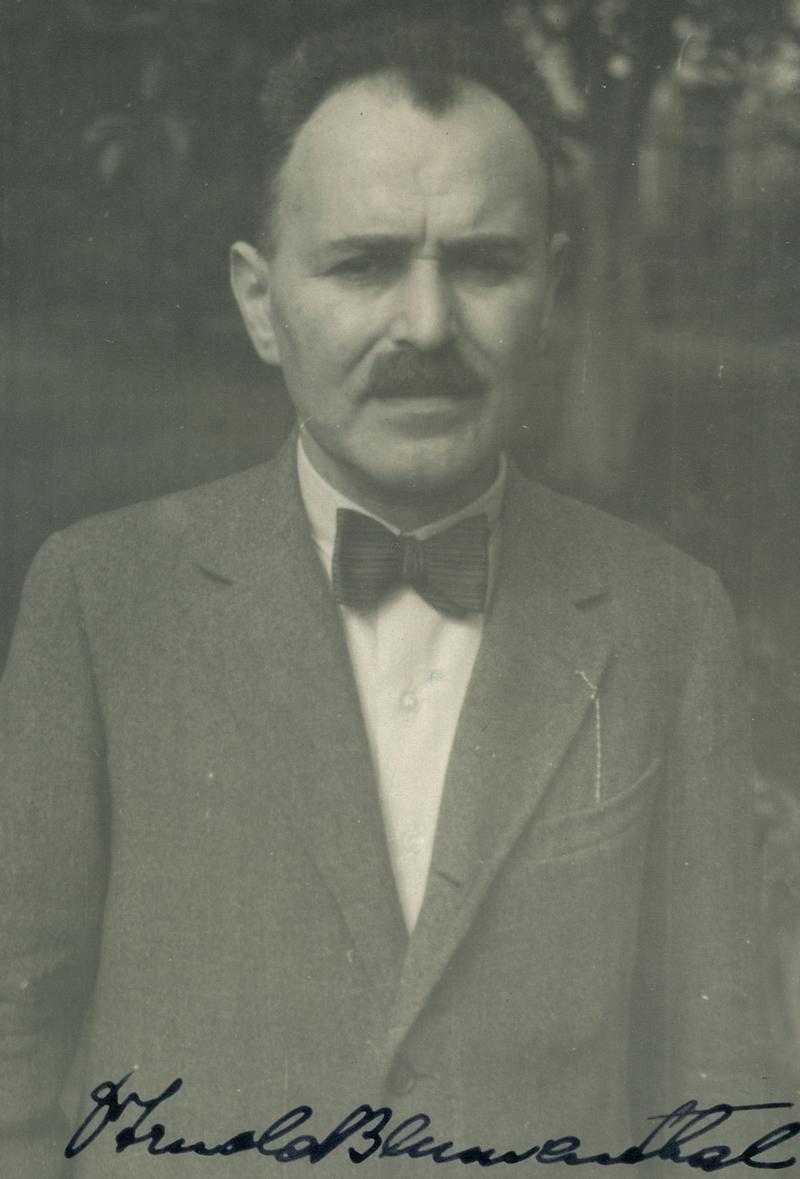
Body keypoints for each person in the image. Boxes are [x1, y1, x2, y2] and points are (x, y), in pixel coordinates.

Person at [0, 5, 775, 1177]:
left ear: (549, 292)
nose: (426, 325)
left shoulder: (667, 620)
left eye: (483, 263)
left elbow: (724, 1107)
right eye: (364, 264)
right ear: (260, 303)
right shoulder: (102, 601)